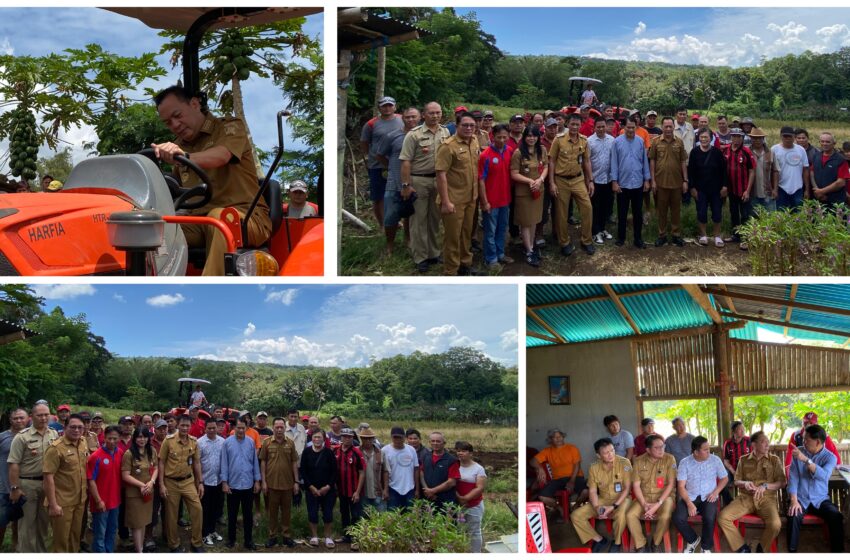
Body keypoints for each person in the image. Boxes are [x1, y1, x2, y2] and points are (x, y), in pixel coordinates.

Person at [152, 85, 272, 276]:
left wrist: (185, 156)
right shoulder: (178, 146)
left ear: (194, 104)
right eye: (168, 122)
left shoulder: (229, 127)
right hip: (200, 221)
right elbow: (174, 189)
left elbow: (221, 156)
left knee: (219, 217)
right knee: (152, 228)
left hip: (246, 217)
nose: (174, 125)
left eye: (177, 115)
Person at [399, 102, 450, 273]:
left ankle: (433, 253)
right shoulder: (414, 135)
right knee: (418, 220)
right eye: (431, 113)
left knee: (434, 219)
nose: (435, 116)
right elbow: (406, 162)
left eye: (438, 112)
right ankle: (420, 257)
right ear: (424, 114)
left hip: (439, 180)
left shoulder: (445, 131)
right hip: (419, 181)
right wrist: (406, 185)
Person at [717, 431, 785, 553]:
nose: (767, 444)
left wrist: (766, 486)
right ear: (754, 444)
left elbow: (782, 482)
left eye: (768, 441)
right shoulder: (743, 460)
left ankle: (761, 548)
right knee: (723, 517)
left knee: (775, 524)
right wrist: (745, 484)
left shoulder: (774, 460)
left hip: (767, 499)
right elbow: (737, 481)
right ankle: (742, 548)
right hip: (746, 498)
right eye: (763, 441)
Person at [7, 402, 58, 552]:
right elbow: (13, 464)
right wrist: (15, 488)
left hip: (47, 484)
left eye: (46, 415)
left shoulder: (53, 434)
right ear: (32, 417)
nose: (43, 418)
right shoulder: (22, 437)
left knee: (43, 523)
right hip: (28, 484)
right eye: (39, 415)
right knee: (27, 525)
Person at [435, 111, 481, 276]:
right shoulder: (448, 146)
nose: (469, 128)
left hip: (471, 198)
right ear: (457, 125)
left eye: (472, 125)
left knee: (466, 233)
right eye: (465, 125)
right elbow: (441, 175)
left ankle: (465, 264)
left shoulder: (474, 141)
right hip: (453, 200)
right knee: (452, 237)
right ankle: (451, 271)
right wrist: (446, 202)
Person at [787, 424, 845, 552]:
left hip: (820, 499)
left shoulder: (830, 457)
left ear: (817, 441)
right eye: (803, 438)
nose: (803, 442)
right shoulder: (799, 452)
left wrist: (806, 461)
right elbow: (793, 477)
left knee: (836, 516)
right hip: (801, 498)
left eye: (806, 439)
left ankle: (838, 553)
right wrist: (794, 500)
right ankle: (791, 552)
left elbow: (823, 476)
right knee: (793, 514)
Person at [570, 438, 631, 553]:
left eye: (612, 450)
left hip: (622, 498)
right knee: (576, 515)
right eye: (606, 453)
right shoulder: (593, 467)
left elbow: (627, 489)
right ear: (598, 455)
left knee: (620, 515)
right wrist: (597, 507)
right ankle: (599, 539)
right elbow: (592, 491)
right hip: (603, 499)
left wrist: (613, 506)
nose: (610, 454)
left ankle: (617, 542)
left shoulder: (624, 463)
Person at [549, 113, 595, 257]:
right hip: (561, 180)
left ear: (581, 125)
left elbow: (586, 162)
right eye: (572, 124)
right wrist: (551, 183)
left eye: (577, 124)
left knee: (587, 207)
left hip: (578, 179)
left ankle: (586, 240)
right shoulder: (558, 140)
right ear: (568, 124)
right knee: (561, 213)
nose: (575, 127)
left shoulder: (584, 141)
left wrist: (591, 181)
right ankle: (564, 242)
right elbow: (552, 161)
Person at [672, 436, 728, 553]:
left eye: (709, 448)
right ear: (696, 452)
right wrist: (689, 503)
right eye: (706, 450)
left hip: (709, 496)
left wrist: (716, 492)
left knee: (709, 517)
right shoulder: (685, 462)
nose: (709, 451)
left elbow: (724, 478)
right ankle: (693, 539)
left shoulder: (715, 460)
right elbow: (681, 486)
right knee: (677, 518)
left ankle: (705, 547)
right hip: (690, 496)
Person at [377, 106, 420, 256]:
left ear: (419, 117)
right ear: (402, 118)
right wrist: (391, 167)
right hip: (394, 182)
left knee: (410, 213)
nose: (411, 119)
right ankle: (389, 244)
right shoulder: (392, 136)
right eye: (408, 117)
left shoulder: (423, 135)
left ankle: (408, 240)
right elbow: (380, 154)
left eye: (414, 116)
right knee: (391, 215)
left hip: (415, 181)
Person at [43, 413, 89, 553]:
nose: (76, 430)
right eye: (73, 427)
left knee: (75, 537)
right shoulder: (55, 448)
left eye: (80, 427)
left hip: (79, 500)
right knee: (61, 540)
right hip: (62, 502)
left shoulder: (83, 442)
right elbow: (48, 477)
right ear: (65, 427)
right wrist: (53, 504)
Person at [158, 415, 204, 553]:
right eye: (182, 425)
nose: (185, 428)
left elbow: (196, 463)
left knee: (197, 509)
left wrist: (200, 482)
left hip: (188, 481)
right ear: (178, 425)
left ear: (190, 427)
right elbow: (161, 462)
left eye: (187, 426)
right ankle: (174, 544)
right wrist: (161, 484)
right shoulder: (168, 441)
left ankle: (196, 543)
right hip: (171, 482)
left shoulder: (194, 442)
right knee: (171, 515)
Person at [626, 434, 677, 553]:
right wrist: (644, 504)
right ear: (648, 450)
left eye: (662, 446)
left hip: (665, 497)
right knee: (630, 515)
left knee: (665, 516)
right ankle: (641, 544)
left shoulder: (669, 459)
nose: (661, 450)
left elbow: (671, 485)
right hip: (644, 497)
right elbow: (636, 486)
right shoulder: (638, 461)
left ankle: (655, 542)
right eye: (657, 447)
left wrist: (657, 505)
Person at [360, 96, 403, 226]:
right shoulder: (371, 124)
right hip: (378, 165)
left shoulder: (403, 119)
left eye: (390, 105)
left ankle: (396, 219)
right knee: (378, 197)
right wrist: (371, 156)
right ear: (379, 108)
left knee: (398, 193)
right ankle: (382, 224)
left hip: (399, 164)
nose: (387, 108)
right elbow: (364, 143)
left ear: (395, 107)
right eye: (384, 106)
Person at [220, 417, 261, 550]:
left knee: (248, 514)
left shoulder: (250, 442)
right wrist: (224, 482)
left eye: (243, 427)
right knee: (232, 514)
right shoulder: (227, 443)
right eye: (238, 427)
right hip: (233, 485)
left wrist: (257, 481)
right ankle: (231, 540)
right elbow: (224, 464)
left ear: (246, 427)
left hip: (248, 484)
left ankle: (248, 541)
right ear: (234, 428)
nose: (241, 430)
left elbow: (255, 462)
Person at [478, 123, 514, 268]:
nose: (502, 140)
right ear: (493, 136)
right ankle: (491, 258)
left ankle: (500, 253)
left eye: (505, 137)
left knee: (502, 228)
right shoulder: (485, 155)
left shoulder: (510, 151)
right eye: (499, 137)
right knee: (490, 231)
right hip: (491, 201)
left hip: (505, 199)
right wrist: (484, 201)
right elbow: (481, 180)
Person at [530, 429, 587, 521]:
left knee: (585, 492)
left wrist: (571, 481)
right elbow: (532, 461)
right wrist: (539, 468)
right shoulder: (547, 451)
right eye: (554, 437)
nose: (558, 439)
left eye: (559, 436)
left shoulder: (572, 448)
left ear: (563, 437)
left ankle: (575, 507)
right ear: (550, 439)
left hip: (575, 476)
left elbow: (577, 465)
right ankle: (560, 509)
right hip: (558, 479)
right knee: (542, 497)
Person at [260, 417, 300, 548]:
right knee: (272, 512)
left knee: (286, 512)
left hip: (288, 484)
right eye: (276, 427)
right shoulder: (266, 443)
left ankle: (286, 536)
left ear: (284, 428)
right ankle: (272, 536)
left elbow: (294, 462)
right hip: (271, 484)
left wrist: (296, 481)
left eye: (281, 427)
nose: (279, 429)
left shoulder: (290, 443)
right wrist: (263, 482)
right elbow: (263, 462)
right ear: (273, 428)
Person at [612, 117, 652, 248]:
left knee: (637, 213)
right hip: (622, 184)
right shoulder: (617, 142)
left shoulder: (640, 142)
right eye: (628, 127)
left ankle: (638, 239)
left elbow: (644, 162)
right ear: (624, 128)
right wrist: (614, 181)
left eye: (632, 127)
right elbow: (614, 163)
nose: (630, 130)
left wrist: (647, 179)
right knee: (622, 213)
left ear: (636, 127)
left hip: (638, 183)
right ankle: (621, 238)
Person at [512, 125, 548, 266]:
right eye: (528, 136)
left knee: (534, 220)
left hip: (538, 190)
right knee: (526, 222)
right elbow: (514, 173)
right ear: (524, 137)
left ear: (538, 137)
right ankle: (528, 250)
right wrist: (530, 181)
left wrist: (540, 180)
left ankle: (531, 246)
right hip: (524, 192)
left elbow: (545, 166)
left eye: (534, 135)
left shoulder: (542, 150)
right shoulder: (518, 153)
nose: (531, 138)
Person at [650, 117, 689, 247]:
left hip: (677, 183)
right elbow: (652, 161)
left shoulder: (679, 142)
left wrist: (685, 180)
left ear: (673, 127)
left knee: (676, 210)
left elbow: (683, 161)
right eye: (665, 126)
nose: (668, 129)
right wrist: (653, 181)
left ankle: (676, 235)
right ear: (662, 127)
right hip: (660, 183)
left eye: (670, 126)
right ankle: (662, 235)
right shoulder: (655, 142)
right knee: (661, 211)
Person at [689, 127, 728, 247]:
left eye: (706, 137)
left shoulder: (717, 152)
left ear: (711, 138)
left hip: (716, 189)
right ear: (698, 138)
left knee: (717, 212)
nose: (703, 139)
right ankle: (703, 235)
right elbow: (691, 171)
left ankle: (716, 236)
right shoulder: (694, 152)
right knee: (701, 212)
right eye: (701, 137)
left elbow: (724, 171)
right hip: (700, 189)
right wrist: (692, 187)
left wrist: (724, 186)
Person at [121, 427, 158, 554]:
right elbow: (125, 475)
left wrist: (152, 481)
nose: (142, 439)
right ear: (134, 438)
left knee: (144, 521)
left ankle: (140, 547)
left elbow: (156, 468)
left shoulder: (151, 450)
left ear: (148, 438)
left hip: (148, 492)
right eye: (139, 437)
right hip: (135, 494)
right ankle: (139, 551)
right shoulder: (129, 453)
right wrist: (141, 485)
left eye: (144, 437)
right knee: (137, 524)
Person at [86, 425, 123, 553]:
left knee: (112, 530)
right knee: (100, 533)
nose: (112, 441)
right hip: (101, 502)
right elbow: (91, 480)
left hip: (115, 501)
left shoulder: (120, 453)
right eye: (109, 438)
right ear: (104, 438)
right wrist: (98, 500)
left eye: (115, 438)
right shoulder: (96, 456)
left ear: (119, 438)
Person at [300, 429, 337, 549]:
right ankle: (314, 536)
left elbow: (334, 472)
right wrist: (311, 487)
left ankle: (328, 537)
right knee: (312, 513)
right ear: (312, 438)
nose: (317, 439)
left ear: (324, 439)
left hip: (327, 489)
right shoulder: (306, 452)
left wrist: (328, 486)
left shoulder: (329, 453)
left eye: (319, 437)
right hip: (311, 489)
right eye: (315, 437)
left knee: (327, 513)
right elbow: (303, 471)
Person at [450, 441, 487, 553]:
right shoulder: (453, 465)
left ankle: (475, 553)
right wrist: (458, 498)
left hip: (473, 505)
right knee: (459, 530)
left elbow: (479, 488)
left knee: (474, 531)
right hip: (457, 504)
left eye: (464, 451)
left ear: (471, 453)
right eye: (458, 450)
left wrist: (465, 499)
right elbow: (450, 483)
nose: (460, 453)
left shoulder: (478, 468)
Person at [722, 129, 756, 247]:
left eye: (738, 137)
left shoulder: (746, 151)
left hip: (743, 189)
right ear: (731, 137)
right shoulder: (726, 150)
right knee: (734, 212)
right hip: (731, 189)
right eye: (734, 136)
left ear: (742, 138)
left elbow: (752, 171)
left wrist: (748, 190)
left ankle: (746, 238)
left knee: (745, 214)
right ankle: (736, 235)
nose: (736, 139)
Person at [0, 408, 27, 551]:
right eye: (15, 418)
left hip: (23, 486)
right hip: (3, 486)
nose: (19, 420)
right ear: (10, 420)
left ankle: (16, 546)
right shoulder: (2, 436)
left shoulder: (30, 437)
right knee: (2, 521)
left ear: (28, 419)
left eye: (22, 417)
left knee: (19, 520)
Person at [587, 117, 615, 246]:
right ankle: (595, 231)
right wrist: (589, 180)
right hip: (595, 180)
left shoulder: (612, 140)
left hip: (608, 180)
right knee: (595, 207)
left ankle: (603, 228)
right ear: (594, 127)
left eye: (603, 126)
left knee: (605, 206)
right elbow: (586, 162)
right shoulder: (589, 141)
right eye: (598, 127)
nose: (601, 129)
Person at [335, 428, 365, 545]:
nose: (347, 439)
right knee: (344, 513)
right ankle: (346, 536)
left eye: (349, 437)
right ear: (341, 437)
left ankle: (356, 538)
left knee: (356, 514)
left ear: (353, 438)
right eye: (345, 436)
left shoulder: (357, 452)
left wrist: (357, 492)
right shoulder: (336, 451)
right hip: (341, 490)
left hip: (354, 490)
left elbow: (362, 472)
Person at [197, 417, 225, 546]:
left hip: (218, 482)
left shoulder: (222, 442)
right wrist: (200, 482)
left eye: (214, 428)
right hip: (205, 482)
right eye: (209, 428)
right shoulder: (200, 443)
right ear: (205, 428)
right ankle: (204, 534)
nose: (212, 430)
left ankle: (213, 530)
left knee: (215, 509)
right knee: (205, 509)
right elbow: (197, 463)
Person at [772, 125, 810, 210]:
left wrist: (807, 189)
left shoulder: (801, 150)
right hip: (781, 188)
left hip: (798, 189)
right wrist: (774, 189)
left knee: (798, 217)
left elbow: (805, 170)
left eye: (790, 136)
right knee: (781, 216)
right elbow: (773, 171)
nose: (787, 138)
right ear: (781, 136)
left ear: (794, 137)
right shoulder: (774, 149)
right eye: (785, 136)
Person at [382, 426, 420, 510]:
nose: (397, 440)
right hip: (393, 489)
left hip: (410, 488)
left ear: (404, 437)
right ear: (391, 437)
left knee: (410, 517)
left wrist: (417, 489)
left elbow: (416, 469)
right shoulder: (385, 450)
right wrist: (386, 489)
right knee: (393, 517)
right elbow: (385, 471)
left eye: (400, 437)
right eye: (395, 437)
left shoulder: (411, 450)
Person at [810, 132, 850, 209]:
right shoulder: (816, 156)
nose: (825, 144)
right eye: (822, 141)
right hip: (818, 198)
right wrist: (817, 190)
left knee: (837, 220)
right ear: (819, 142)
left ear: (834, 143)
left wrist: (822, 191)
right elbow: (812, 173)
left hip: (835, 200)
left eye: (828, 142)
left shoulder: (841, 159)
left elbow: (841, 182)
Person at [420, 431, 457, 510]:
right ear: (429, 442)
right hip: (428, 499)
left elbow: (452, 482)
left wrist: (432, 491)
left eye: (438, 441)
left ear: (444, 443)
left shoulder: (451, 460)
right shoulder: (425, 457)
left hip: (445, 501)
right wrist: (426, 490)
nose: (435, 443)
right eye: (433, 441)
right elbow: (421, 473)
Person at [720, 420, 751, 505]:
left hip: (747, 470)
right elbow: (726, 461)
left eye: (743, 429)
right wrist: (733, 471)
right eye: (740, 429)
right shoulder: (728, 443)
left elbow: (754, 456)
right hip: (732, 470)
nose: (743, 430)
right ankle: (730, 503)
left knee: (753, 482)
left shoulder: (748, 440)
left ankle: (747, 504)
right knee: (722, 483)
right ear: (733, 431)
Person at [749, 128, 775, 213]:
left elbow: (776, 171)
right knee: (753, 221)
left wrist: (775, 189)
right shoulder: (747, 152)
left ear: (763, 139)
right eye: (754, 138)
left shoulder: (770, 152)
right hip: (752, 193)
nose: (757, 140)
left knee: (770, 220)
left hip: (768, 192)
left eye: (759, 138)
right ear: (751, 139)